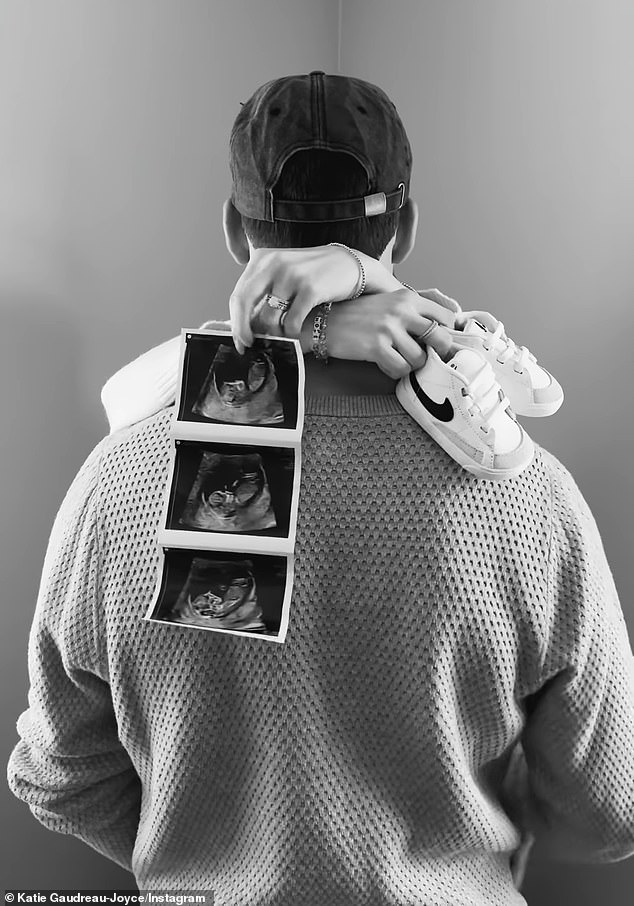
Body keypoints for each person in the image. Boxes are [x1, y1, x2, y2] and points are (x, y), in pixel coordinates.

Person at [7, 71, 634, 905]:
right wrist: (477, 845)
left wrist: (210, 870)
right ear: (406, 226)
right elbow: (610, 810)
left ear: (234, 230)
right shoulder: (531, 497)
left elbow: (61, 778)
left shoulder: (113, 484)